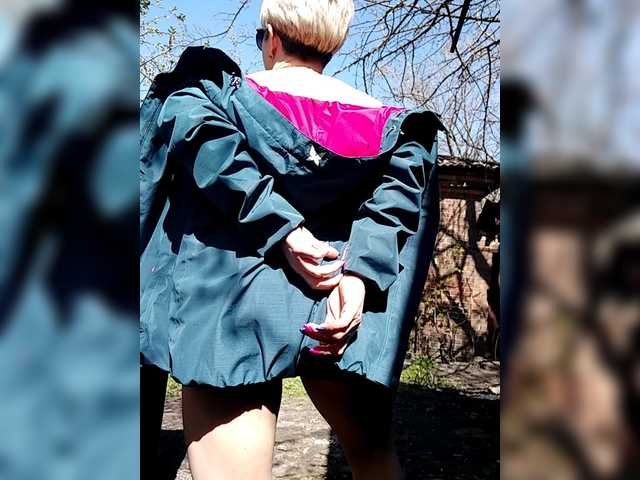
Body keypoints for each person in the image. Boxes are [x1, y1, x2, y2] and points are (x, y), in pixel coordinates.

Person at [139, 0, 443, 478]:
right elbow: (395, 207)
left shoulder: (209, 100)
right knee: (374, 460)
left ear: (273, 38)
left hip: (230, 316)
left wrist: (282, 230)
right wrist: (359, 278)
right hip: (341, 312)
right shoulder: (396, 130)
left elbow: (211, 162)